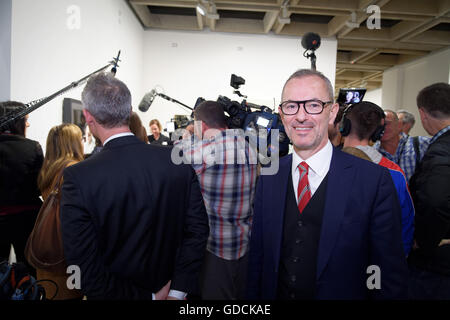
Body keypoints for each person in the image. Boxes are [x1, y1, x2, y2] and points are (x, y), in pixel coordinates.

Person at [247, 69, 408, 300]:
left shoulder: (373, 181)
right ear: (282, 115)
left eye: (313, 105)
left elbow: (387, 272)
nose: (301, 117)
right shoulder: (270, 175)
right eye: (291, 106)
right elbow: (258, 260)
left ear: (332, 112)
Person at [60, 73, 209, 300]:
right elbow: (197, 231)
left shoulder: (78, 177)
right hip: (176, 292)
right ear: (130, 111)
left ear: (87, 117)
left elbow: (82, 268)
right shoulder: (175, 160)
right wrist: (177, 292)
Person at [175, 101, 258, 300]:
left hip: (216, 249)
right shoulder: (249, 148)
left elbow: (177, 153)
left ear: (201, 125)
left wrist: (188, 132)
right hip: (244, 244)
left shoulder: (205, 152)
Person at [341, 101, 414, 256]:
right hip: (378, 262)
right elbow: (405, 223)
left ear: (344, 127)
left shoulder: (323, 167)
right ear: (378, 132)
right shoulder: (395, 173)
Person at [408, 82, 450, 299]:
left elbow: (436, 202)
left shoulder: (442, 150)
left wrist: (423, 242)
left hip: (438, 266)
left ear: (423, 114)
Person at [37, 123, 85, 300]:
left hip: (48, 250)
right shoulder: (73, 170)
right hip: (66, 253)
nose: (83, 142)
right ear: (72, 143)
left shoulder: (48, 169)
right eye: (80, 138)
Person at [0, 101, 43, 271]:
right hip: (25, 219)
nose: (28, 124)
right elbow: (38, 186)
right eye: (25, 120)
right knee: (27, 270)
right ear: (16, 122)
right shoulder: (31, 147)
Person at [374, 109, 430, 182]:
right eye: (378, 125)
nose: (383, 128)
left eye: (387, 123)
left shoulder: (421, 144)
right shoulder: (372, 154)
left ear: (398, 125)